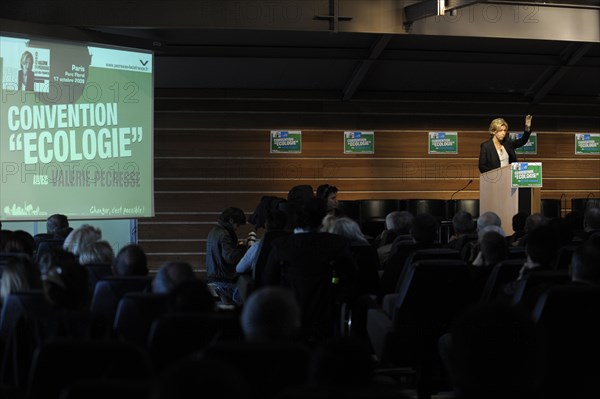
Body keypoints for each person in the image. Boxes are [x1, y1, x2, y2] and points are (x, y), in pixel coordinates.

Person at [205, 206, 248, 306]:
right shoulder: (224, 234)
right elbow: (230, 258)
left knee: (228, 307)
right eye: (237, 225)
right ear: (231, 220)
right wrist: (242, 248)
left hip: (215, 277)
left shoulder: (214, 231)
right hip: (223, 279)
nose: (237, 228)